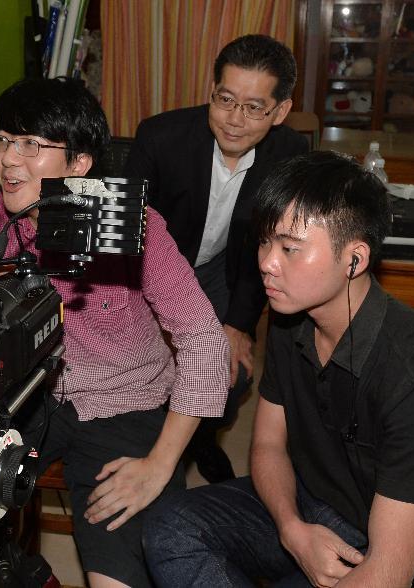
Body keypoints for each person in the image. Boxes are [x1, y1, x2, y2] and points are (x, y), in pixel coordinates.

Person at [0, 77, 229, 588]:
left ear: (79, 164)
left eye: (31, 145)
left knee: (120, 575)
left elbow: (204, 340)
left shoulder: (126, 222)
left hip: (125, 401)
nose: (9, 160)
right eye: (3, 140)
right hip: (24, 398)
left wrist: (162, 463)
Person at [143, 151, 414, 587]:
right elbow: (268, 445)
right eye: (264, 241)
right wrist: (292, 530)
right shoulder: (291, 316)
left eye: (289, 249)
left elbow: (388, 572)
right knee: (171, 526)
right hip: (318, 504)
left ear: (354, 259)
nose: (266, 262)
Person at [123, 34, 309, 483]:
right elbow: (129, 236)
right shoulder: (160, 136)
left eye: (253, 107)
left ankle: (195, 440)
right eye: (225, 100)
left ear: (280, 111)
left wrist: (238, 325)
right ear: (211, 92)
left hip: (227, 271)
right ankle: (161, 451)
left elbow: (264, 251)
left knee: (231, 374)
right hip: (154, 268)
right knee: (147, 365)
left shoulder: (291, 155)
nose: (233, 120)